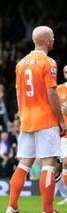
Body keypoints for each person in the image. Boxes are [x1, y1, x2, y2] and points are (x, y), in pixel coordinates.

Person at [5, 26, 66, 213]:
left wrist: (22, 114)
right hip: (46, 118)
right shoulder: (49, 62)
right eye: (53, 37)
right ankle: (48, 211)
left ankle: (12, 206)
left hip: (27, 119)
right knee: (48, 164)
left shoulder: (21, 63)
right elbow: (51, 93)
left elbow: (17, 92)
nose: (54, 39)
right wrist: (61, 120)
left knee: (24, 164)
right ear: (47, 40)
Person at [56, 65, 67, 205]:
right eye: (65, 72)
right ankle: (65, 194)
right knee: (60, 165)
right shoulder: (58, 89)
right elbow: (51, 107)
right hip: (63, 133)